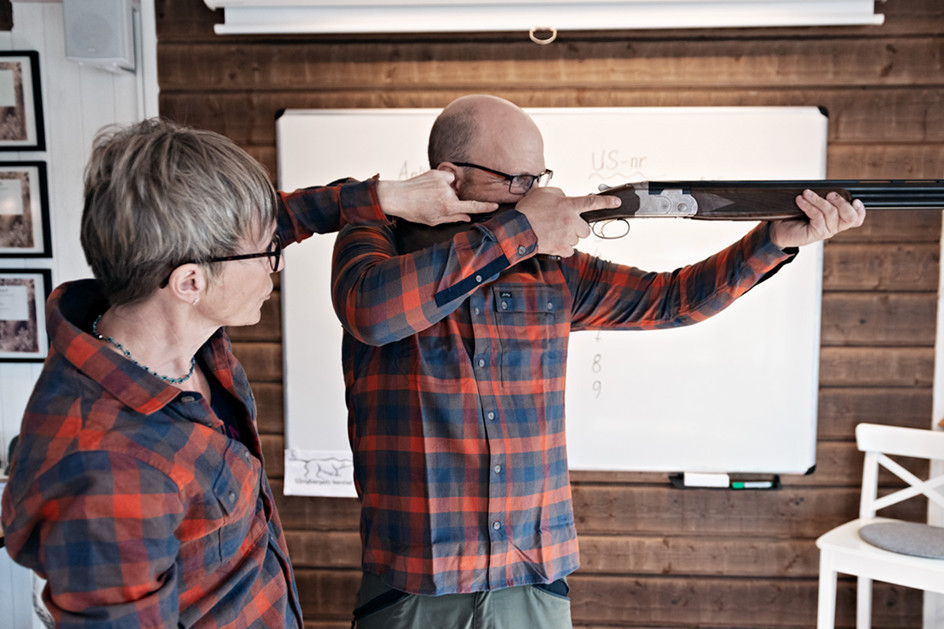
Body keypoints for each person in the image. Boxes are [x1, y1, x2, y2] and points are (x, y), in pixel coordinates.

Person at [331, 94, 867, 628]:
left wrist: (772, 239)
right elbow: (373, 312)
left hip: (532, 575)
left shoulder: (551, 267)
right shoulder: (376, 234)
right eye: (518, 181)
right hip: (414, 581)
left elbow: (671, 300)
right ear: (450, 175)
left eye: (539, 178)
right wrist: (520, 232)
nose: (535, 196)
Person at [0, 117, 495, 627]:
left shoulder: (167, 316)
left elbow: (268, 222)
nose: (275, 266)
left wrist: (385, 196)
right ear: (190, 282)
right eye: (267, 254)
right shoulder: (108, 466)